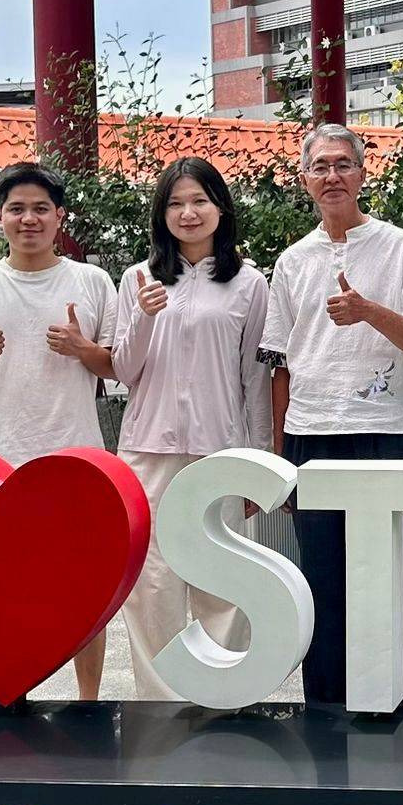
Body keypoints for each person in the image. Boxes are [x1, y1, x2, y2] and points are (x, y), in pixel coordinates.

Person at [260, 124, 403, 706]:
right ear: (304, 179)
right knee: (321, 578)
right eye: (320, 166)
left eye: (343, 164)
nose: (332, 176)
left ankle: (384, 699)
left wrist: (367, 311)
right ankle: (324, 705)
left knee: (384, 576)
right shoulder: (292, 261)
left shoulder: (399, 246)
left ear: (363, 174)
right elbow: (280, 364)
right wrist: (278, 450)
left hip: (382, 430)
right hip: (310, 432)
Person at [0, 161, 117, 700]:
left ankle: (88, 700)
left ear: (60, 217)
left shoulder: (92, 282)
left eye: (40, 209)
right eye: (16, 209)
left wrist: (84, 350)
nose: (28, 219)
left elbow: (116, 365)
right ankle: (9, 693)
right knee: (4, 588)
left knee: (84, 588)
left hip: (76, 460)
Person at [113, 157, 272, 699]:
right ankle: (160, 702)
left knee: (221, 581)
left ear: (220, 208)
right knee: (152, 581)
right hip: (148, 450)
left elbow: (255, 377)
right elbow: (123, 371)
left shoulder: (249, 283)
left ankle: (217, 696)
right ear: (161, 214)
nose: (188, 212)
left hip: (219, 450)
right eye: (176, 203)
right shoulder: (138, 278)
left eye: (199, 200)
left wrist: (257, 460)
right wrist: (143, 316)